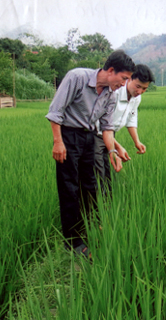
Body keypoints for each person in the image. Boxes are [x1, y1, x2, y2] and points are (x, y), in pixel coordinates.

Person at [45, 50, 136, 259]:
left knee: (91, 185)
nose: (123, 84)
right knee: (69, 187)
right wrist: (58, 142)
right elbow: (56, 110)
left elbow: (106, 127)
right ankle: (73, 241)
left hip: (89, 138)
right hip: (68, 135)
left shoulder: (110, 94)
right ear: (111, 70)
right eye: (123, 78)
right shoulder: (77, 77)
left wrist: (112, 150)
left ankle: (90, 226)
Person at [94, 64, 155, 193]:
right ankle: (95, 208)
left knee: (107, 174)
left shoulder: (136, 98)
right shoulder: (114, 93)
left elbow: (131, 119)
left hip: (110, 135)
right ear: (129, 79)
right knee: (98, 174)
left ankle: (107, 207)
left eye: (144, 88)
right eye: (138, 86)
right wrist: (117, 146)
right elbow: (99, 124)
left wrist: (137, 142)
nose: (140, 91)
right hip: (97, 135)